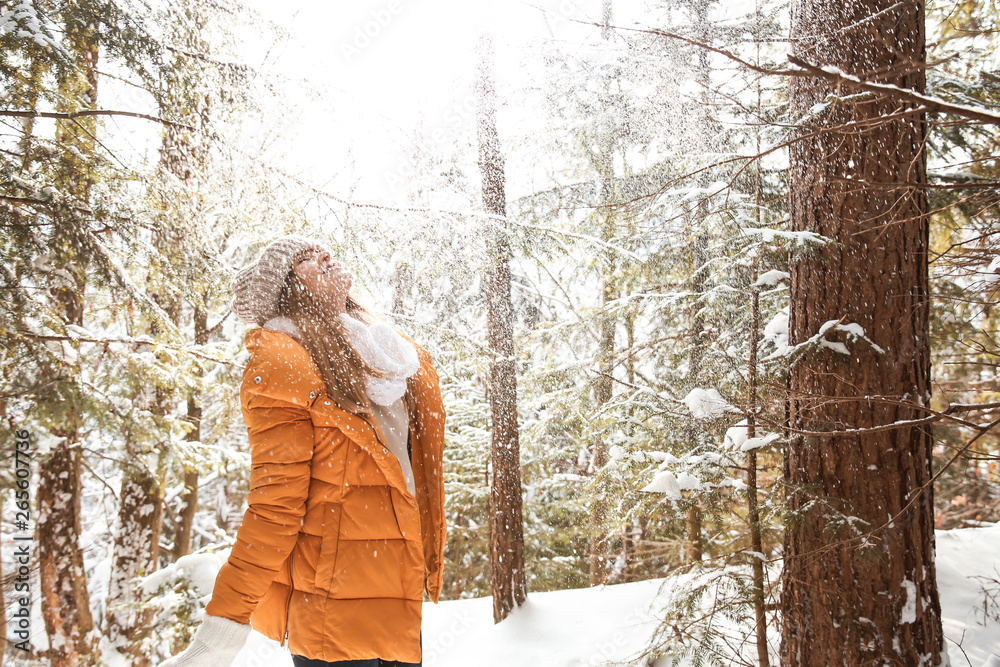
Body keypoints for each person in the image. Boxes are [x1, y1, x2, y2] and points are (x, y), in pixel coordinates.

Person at [159, 235, 446, 667]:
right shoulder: (284, 364)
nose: (326, 255)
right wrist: (222, 632)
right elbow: (275, 508)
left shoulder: (386, 351)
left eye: (323, 250)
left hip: (395, 599)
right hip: (332, 616)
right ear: (288, 292)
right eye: (305, 260)